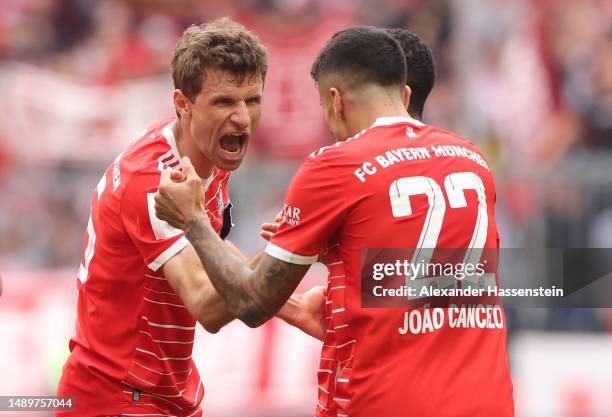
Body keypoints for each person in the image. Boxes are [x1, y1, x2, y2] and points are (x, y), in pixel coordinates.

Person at [154, 26, 514, 417]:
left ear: (335, 102)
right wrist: (341, 266)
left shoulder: (336, 165)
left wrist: (193, 220)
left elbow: (250, 304)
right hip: (488, 403)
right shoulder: (473, 160)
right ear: (405, 95)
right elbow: (438, 280)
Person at [56, 18, 324, 417]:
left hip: (163, 393)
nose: (243, 119)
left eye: (252, 100)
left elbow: (207, 249)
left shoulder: (202, 155)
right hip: (116, 397)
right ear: (183, 104)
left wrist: (291, 305)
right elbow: (209, 307)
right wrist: (297, 243)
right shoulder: (157, 183)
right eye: (224, 102)